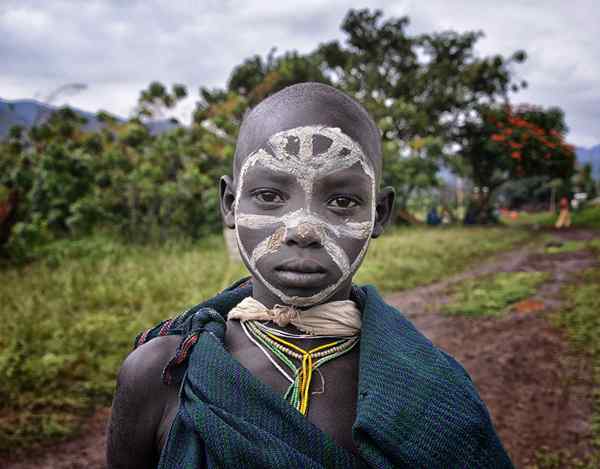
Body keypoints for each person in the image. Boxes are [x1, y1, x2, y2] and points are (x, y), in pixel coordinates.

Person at [106, 83, 513, 468]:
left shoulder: (431, 391)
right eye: (269, 196)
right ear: (230, 204)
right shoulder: (162, 375)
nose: (303, 228)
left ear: (379, 213)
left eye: (341, 201)